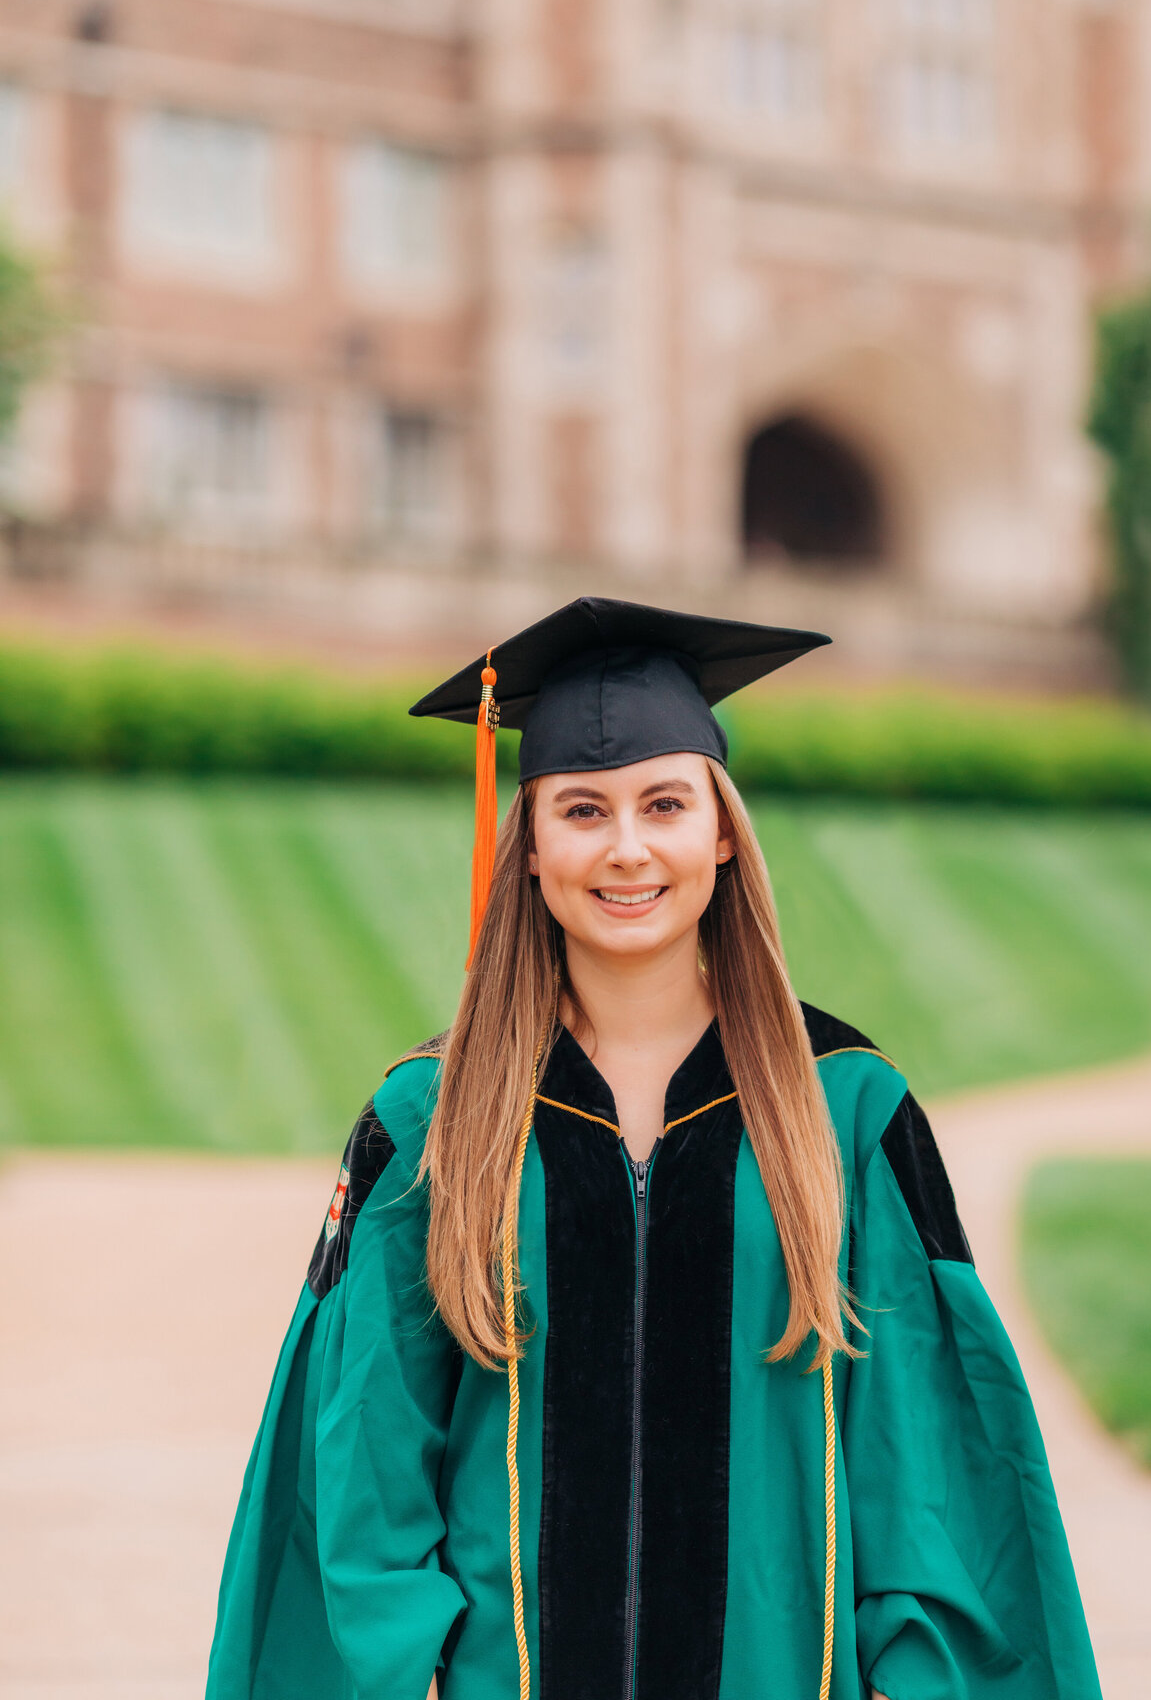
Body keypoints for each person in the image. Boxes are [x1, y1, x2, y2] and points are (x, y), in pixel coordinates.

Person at [206, 596, 1101, 1700]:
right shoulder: (435, 1118)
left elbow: (932, 1477)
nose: (627, 848)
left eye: (664, 805)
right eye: (582, 810)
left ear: (721, 832)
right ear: (528, 845)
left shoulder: (848, 1111)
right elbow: (358, 1475)